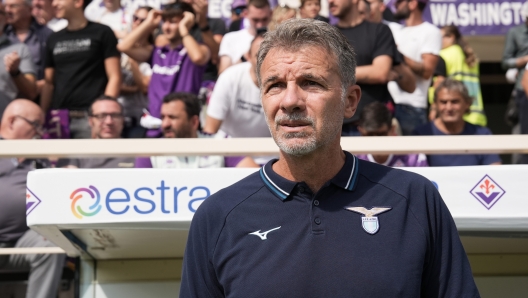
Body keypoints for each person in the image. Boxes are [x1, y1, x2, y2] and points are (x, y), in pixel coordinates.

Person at [180, 19, 479, 297]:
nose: (290, 101)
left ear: (350, 102)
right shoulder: (218, 217)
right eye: (275, 86)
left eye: (311, 83)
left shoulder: (415, 199)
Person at [0, 99, 65, 298]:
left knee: (52, 245)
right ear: (12, 121)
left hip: (23, 240)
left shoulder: (39, 158)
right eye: (35, 124)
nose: (39, 132)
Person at [118, 2, 209, 124]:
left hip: (182, 125)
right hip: (154, 124)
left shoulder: (198, 49)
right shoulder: (157, 51)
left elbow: (198, 58)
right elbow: (124, 47)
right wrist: (148, 23)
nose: (166, 27)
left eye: (173, 22)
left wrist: (184, 29)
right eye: (164, 21)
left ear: (187, 23)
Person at [41, 0, 121, 139]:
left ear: (78, 2)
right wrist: (42, 115)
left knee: (93, 160)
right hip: (59, 118)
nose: (54, 4)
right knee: (59, 161)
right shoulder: (53, 38)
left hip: (90, 119)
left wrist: (102, 116)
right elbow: (48, 83)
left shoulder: (102, 32)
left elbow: (115, 77)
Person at [329, 0, 399, 136]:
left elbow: (380, 73)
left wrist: (334, 73)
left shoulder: (379, 30)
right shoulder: (327, 35)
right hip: (333, 127)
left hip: (372, 128)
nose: (330, 1)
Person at [135, 92, 258, 168]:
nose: (165, 124)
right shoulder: (150, 151)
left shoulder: (219, 142)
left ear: (194, 122)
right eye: (163, 117)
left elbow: (252, 175)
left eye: (172, 117)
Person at [413, 79, 501, 166]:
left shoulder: (482, 134)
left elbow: (495, 172)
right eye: (443, 102)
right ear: (435, 104)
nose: (449, 108)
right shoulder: (421, 133)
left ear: (467, 103)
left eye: (454, 102)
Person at [388, 0, 441, 135]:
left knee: (413, 155)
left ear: (412, 4)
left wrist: (398, 54)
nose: (395, 5)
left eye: (399, 2)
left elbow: (427, 71)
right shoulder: (393, 29)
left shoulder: (430, 32)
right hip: (388, 105)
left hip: (412, 108)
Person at [204, 31, 269, 138]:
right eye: (259, 56)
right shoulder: (229, 77)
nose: (264, 61)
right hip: (228, 149)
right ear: (248, 56)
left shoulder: (287, 84)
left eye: (268, 56)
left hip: (270, 152)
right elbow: (210, 130)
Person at [57, 96, 136, 168]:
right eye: (101, 116)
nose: (109, 122)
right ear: (91, 121)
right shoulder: (74, 153)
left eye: (115, 115)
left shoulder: (138, 151)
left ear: (122, 120)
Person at [431, 25, 487, 127]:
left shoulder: (444, 55)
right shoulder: (471, 57)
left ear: (451, 37)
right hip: (477, 115)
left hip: (455, 116)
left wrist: (434, 108)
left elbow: (439, 83)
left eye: (440, 38)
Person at [356, 102, 427, 167]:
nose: (376, 141)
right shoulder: (353, 159)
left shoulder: (413, 156)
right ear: (361, 131)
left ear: (392, 129)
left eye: (381, 134)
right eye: (370, 135)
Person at [118, 6, 153, 138]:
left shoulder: (152, 51)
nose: (137, 22)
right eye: (135, 18)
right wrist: (132, 88)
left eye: (143, 20)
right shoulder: (118, 47)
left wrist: (132, 57)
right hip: (117, 115)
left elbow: (144, 87)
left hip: (140, 118)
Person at [4, 0, 53, 93]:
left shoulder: (48, 35)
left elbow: (56, 70)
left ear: (29, 9)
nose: (7, 10)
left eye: (13, 6)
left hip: (38, 96)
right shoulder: (2, 34)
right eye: (5, 6)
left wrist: (42, 84)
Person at [0, 2, 38, 118]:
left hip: (5, 127)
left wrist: (15, 72)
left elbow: (32, 92)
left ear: (5, 18)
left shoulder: (19, 50)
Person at [217, 0, 271, 74]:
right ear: (246, 14)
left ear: (271, 14)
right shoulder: (230, 38)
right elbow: (222, 75)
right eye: (255, 20)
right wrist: (244, 58)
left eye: (264, 19)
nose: (260, 25)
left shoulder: (277, 39)